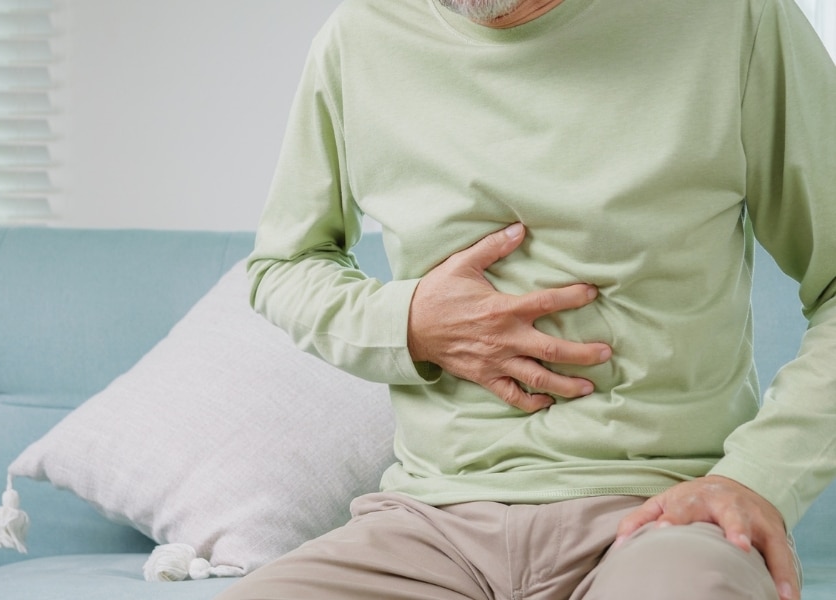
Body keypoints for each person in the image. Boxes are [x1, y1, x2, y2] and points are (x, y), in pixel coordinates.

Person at [219, 0, 836, 599]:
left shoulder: (736, 18)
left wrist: (756, 480)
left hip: (661, 508)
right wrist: (407, 322)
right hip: (430, 520)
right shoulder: (359, 36)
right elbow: (284, 264)